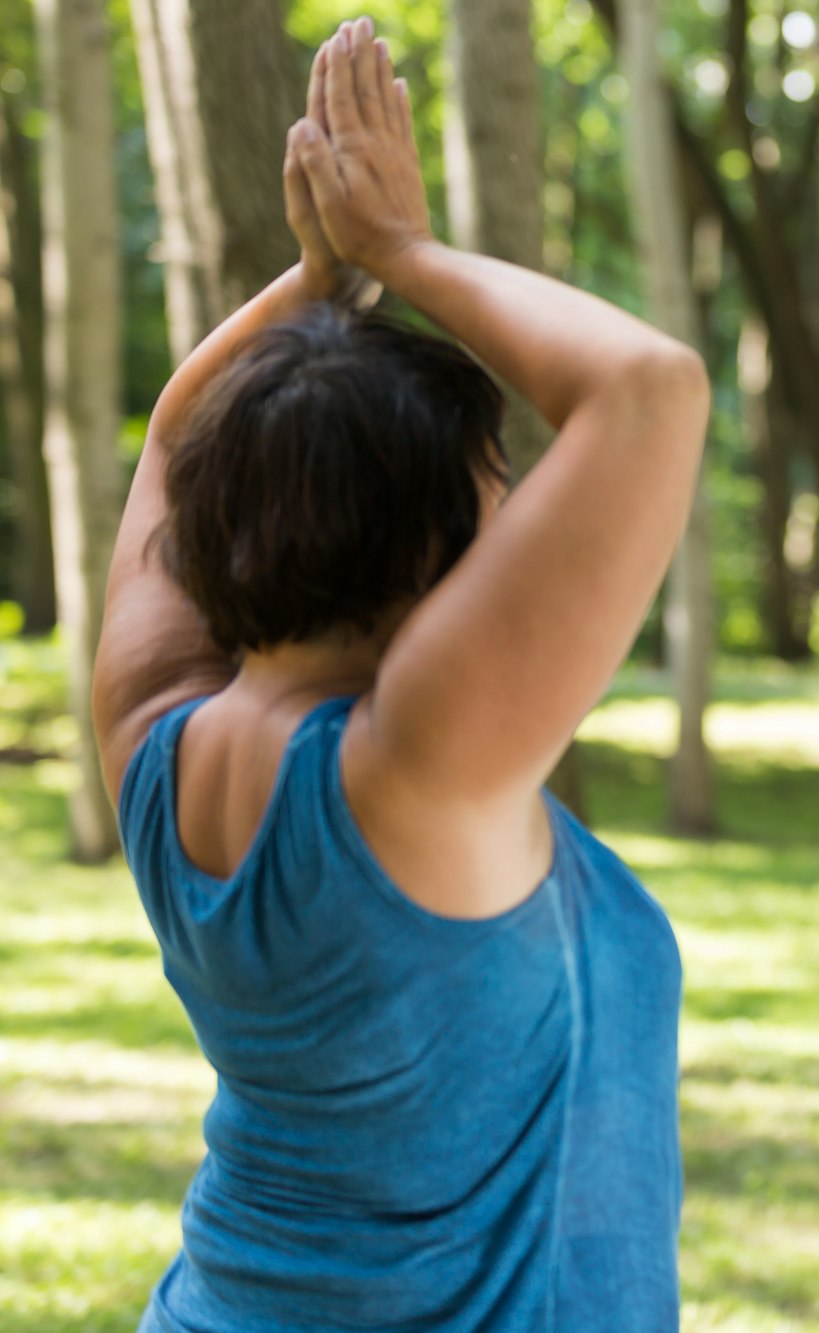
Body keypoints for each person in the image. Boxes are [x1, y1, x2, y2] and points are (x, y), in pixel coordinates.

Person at [92, 20, 708, 1331]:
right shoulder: (416, 771)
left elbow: (174, 435)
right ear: (421, 548)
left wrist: (319, 282)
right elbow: (649, 390)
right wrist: (393, 258)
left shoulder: (151, 733)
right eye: (498, 490)